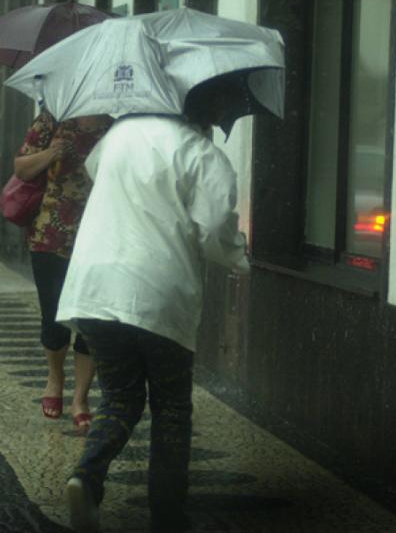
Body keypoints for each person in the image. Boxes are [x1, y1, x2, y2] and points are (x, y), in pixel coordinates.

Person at [56, 87, 251, 532]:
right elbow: (217, 229)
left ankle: (86, 476)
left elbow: (93, 170)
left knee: (121, 398)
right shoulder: (201, 153)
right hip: (159, 293)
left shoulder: (120, 134)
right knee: (171, 408)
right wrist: (239, 257)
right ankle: (167, 515)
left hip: (96, 289)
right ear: (206, 109)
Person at [14, 109, 113, 430]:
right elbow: (22, 168)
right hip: (49, 235)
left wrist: (94, 166)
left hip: (100, 235)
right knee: (54, 316)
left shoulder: (117, 124)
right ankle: (54, 381)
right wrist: (53, 152)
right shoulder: (52, 119)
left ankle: (80, 398)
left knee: (91, 319)